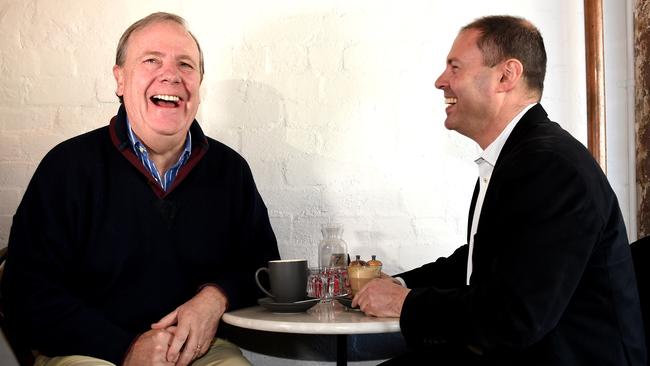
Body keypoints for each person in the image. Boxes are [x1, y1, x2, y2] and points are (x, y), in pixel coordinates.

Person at [352, 15, 647, 365]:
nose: (440, 81)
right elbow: (480, 261)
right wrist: (398, 284)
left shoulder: (551, 166)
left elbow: (516, 317)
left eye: (455, 67)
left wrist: (405, 304)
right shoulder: (522, 155)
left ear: (507, 76)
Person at [1, 12, 280, 366]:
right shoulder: (67, 167)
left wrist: (217, 295)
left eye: (185, 64)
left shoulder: (230, 171)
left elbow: (266, 270)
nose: (171, 74)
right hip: (87, 351)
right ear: (120, 79)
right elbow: (24, 295)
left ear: (199, 84)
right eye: (151, 60)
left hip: (197, 352)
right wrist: (126, 348)